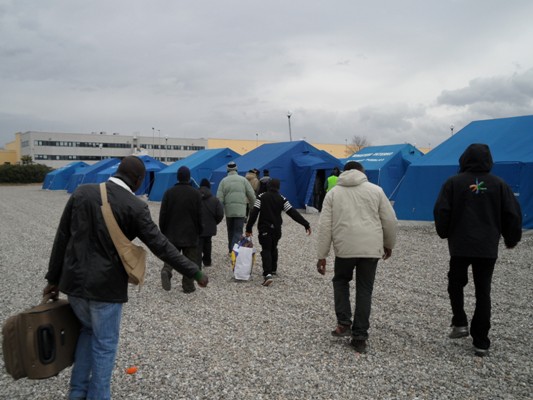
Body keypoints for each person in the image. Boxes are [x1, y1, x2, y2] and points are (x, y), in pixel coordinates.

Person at [43, 156, 208, 400]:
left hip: (74, 284)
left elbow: (62, 237)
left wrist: (52, 279)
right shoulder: (135, 206)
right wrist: (193, 270)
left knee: (88, 332)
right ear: (139, 180)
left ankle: (76, 393)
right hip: (106, 288)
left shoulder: (82, 193)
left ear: (119, 171)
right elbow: (161, 246)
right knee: (105, 345)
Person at [433, 143, 522, 357]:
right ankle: (481, 340)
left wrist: (445, 232)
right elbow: (512, 213)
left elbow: (441, 210)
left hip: (460, 245)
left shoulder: (453, 183)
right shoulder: (499, 185)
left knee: (456, 283)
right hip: (487, 246)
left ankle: (460, 322)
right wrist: (511, 238)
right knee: (483, 292)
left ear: (464, 159)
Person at [316, 161, 397, 354]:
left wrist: (322, 255)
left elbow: (324, 226)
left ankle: (344, 323)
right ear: (362, 172)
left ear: (344, 172)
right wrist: (388, 244)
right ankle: (360, 336)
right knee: (365, 289)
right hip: (371, 249)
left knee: (341, 281)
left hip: (345, 249)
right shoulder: (376, 190)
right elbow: (390, 220)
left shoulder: (333, 193)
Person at [245, 178, 311, 286]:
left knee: (266, 249)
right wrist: (305, 224)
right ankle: (273, 269)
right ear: (278, 187)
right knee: (273, 247)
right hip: (276, 229)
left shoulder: (261, 197)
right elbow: (292, 212)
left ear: (268, 186)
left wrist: (248, 228)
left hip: (264, 228)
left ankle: (267, 274)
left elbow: (254, 213)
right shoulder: (282, 198)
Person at [160, 166, 203, 293]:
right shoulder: (196, 194)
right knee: (190, 261)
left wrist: (163, 231)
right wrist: (200, 230)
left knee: (171, 256)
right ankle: (188, 286)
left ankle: (166, 271)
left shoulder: (169, 193)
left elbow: (163, 214)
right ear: (189, 177)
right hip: (190, 233)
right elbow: (199, 215)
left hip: (172, 232)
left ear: (177, 177)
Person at [217, 161, 256, 254]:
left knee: (230, 231)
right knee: (238, 231)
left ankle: (231, 250)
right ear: (236, 169)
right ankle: (234, 251)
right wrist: (252, 208)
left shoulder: (223, 181)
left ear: (227, 170)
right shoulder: (243, 180)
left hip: (229, 211)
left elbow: (219, 199)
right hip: (240, 211)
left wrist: (218, 211)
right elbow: (251, 195)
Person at [198, 178, 224, 267]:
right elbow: (220, 214)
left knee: (198, 243)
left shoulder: (194, 198)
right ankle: (207, 261)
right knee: (208, 243)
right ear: (209, 187)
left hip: (197, 226)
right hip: (209, 226)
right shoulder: (215, 200)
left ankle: (197, 262)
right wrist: (214, 222)